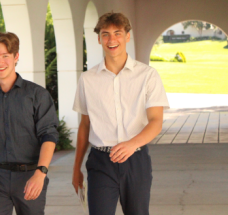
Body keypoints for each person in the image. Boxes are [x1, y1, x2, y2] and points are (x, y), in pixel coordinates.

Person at [72, 12, 169, 215]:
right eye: (105, 34)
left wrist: (131, 144)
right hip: (100, 162)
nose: (111, 39)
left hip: (136, 160)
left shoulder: (147, 76)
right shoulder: (87, 79)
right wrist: (76, 168)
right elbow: (85, 125)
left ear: (127, 36)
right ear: (99, 39)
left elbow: (156, 121)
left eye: (117, 33)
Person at [0, 32, 59, 215]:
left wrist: (41, 173)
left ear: (16, 57)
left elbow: (49, 135)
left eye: (5, 56)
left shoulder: (37, 95)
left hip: (30, 176)